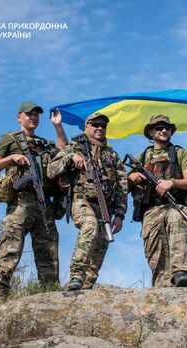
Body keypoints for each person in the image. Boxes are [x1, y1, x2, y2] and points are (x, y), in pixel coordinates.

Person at [0, 101, 68, 302]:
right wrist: (12, 157)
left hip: (44, 204)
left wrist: (58, 126)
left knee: (49, 254)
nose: (33, 118)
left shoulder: (44, 143)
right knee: (10, 250)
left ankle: (49, 297)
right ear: (19, 117)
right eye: (29, 114)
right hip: (21, 203)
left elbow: (63, 150)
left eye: (36, 115)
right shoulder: (10, 139)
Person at [47, 112, 127, 291]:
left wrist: (120, 214)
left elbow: (122, 186)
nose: (100, 128)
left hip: (105, 207)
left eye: (103, 125)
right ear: (87, 127)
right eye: (95, 124)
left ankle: (85, 287)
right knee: (89, 225)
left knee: (101, 245)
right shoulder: (75, 147)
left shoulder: (112, 155)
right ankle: (76, 275)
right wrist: (70, 157)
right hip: (81, 200)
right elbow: (51, 170)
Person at [128, 115, 187, 288]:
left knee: (178, 218)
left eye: (167, 128)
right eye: (159, 128)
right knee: (155, 252)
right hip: (151, 209)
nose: (164, 130)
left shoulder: (180, 153)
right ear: (151, 132)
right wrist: (131, 177)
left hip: (174, 204)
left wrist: (171, 182)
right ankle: (162, 287)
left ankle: (180, 273)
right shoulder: (142, 156)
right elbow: (126, 184)